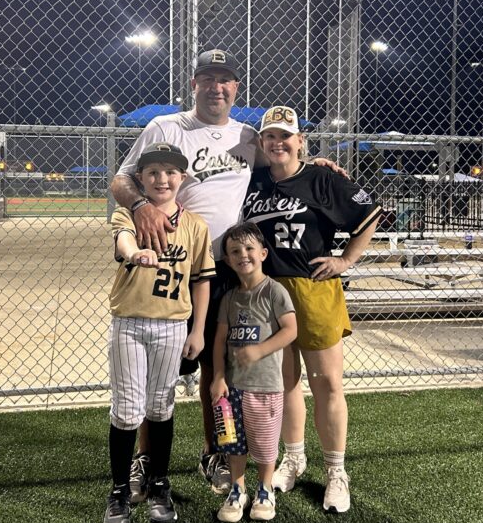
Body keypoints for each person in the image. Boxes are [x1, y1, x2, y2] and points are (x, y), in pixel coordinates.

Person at [110, 48, 344, 497]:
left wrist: (316, 167)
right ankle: (143, 459)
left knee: (219, 368)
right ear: (193, 84)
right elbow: (122, 179)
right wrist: (140, 206)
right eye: (208, 78)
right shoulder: (167, 127)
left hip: (229, 272)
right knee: (160, 371)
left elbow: (282, 164)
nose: (217, 87)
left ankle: (214, 450)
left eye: (226, 80)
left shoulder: (247, 136)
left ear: (236, 88)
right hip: (174, 266)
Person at [242, 106, 382, 513]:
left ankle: (337, 471)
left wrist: (346, 260)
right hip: (268, 293)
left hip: (314, 289)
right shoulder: (253, 180)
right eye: (270, 136)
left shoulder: (322, 178)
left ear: (300, 140)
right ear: (263, 143)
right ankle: (295, 457)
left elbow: (368, 214)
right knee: (283, 383)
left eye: (286, 136)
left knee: (326, 382)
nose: (278, 142)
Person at [102, 142, 216, 523]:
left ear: (182, 178)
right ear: (141, 179)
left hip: (172, 326)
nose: (161, 179)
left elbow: (202, 281)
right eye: (152, 173)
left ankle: (160, 486)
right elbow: (123, 242)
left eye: (170, 172)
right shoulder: (128, 213)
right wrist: (135, 255)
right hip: (130, 323)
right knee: (128, 410)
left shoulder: (196, 226)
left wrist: (198, 330)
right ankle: (118, 492)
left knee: (161, 407)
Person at [210, 222, 297, 523]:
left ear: (262, 253)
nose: (242, 255)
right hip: (234, 386)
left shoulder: (275, 292)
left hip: (266, 386)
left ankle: (264, 488)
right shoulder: (230, 298)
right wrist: (218, 376)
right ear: (227, 260)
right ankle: (238, 488)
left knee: (264, 442)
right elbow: (220, 340)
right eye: (234, 251)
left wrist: (259, 350)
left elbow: (290, 330)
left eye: (248, 249)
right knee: (234, 442)